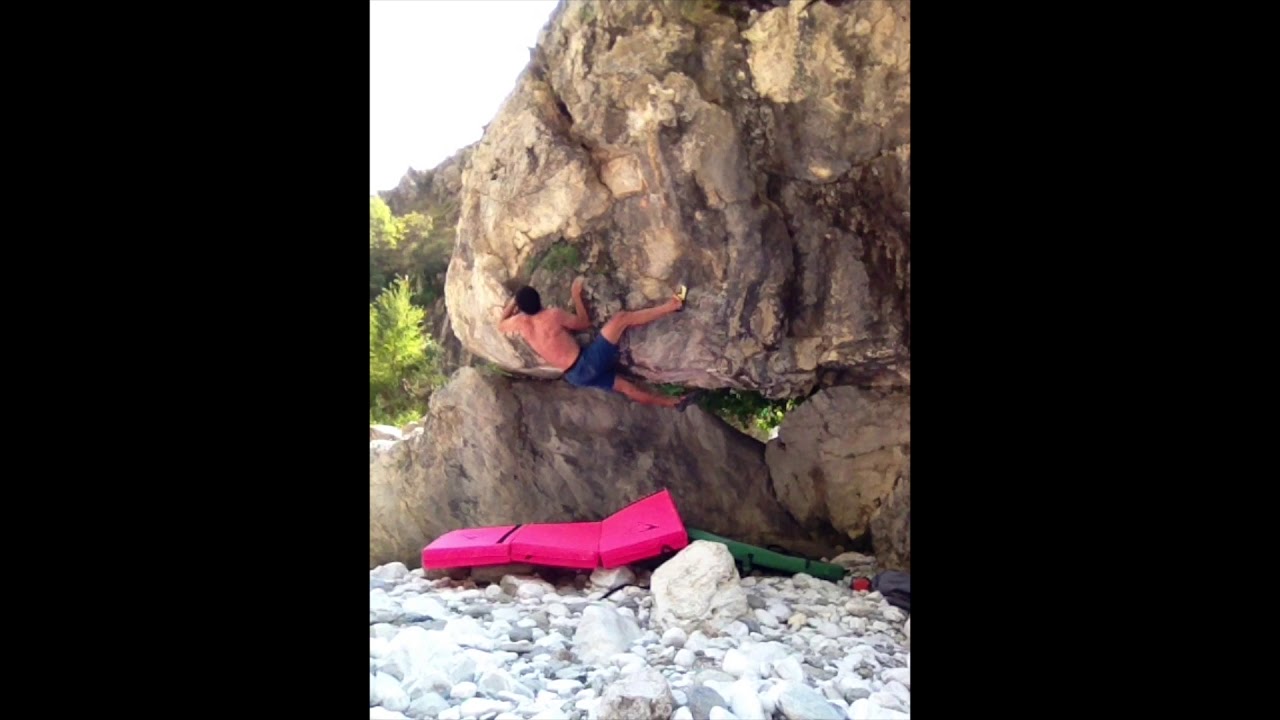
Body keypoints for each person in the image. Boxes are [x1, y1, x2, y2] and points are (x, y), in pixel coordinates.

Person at [498, 276, 701, 408]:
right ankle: (672, 305)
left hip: (574, 377)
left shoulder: (520, 324)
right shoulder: (553, 316)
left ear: (521, 308)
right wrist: (576, 296)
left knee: (626, 388)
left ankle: (675, 403)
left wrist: (514, 302)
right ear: (539, 300)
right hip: (586, 362)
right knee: (621, 319)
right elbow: (584, 323)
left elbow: (500, 324)